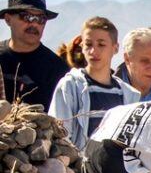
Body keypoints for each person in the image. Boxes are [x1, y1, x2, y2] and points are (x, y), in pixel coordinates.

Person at [49, 17, 140, 150]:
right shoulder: (71, 86)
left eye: (101, 44)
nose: (93, 51)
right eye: (88, 44)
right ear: (82, 47)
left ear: (115, 48)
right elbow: (59, 135)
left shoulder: (129, 95)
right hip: (79, 168)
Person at [0, 0, 68, 109]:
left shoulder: (57, 69)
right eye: (26, 17)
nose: (34, 24)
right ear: (8, 19)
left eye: (41, 19)